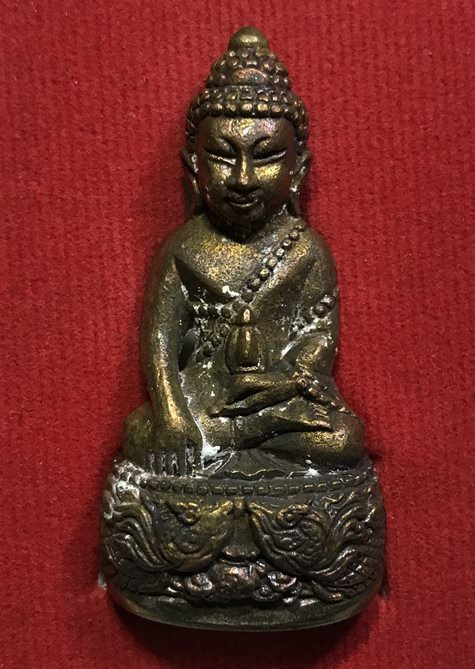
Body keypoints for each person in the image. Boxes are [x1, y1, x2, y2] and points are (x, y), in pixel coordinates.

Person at [123, 27, 365, 478]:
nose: (243, 179)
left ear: (298, 171)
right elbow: (160, 344)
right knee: (140, 429)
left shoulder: (308, 251)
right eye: (222, 155)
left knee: (342, 438)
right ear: (193, 169)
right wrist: (173, 417)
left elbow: (318, 335)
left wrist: (285, 379)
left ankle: (241, 436)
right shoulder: (182, 249)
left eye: (266, 156)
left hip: (278, 398)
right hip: (205, 399)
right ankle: (234, 436)